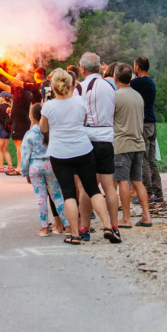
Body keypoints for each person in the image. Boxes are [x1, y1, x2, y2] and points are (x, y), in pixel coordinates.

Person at [39, 69, 118, 245]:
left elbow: (43, 128)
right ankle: (107, 227)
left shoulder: (49, 106)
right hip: (82, 149)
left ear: (53, 86)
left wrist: (46, 107)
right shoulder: (79, 101)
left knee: (68, 194)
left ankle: (74, 235)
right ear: (70, 84)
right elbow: (83, 122)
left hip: (59, 153)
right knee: (93, 189)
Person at [75, 52, 120, 237]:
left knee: (87, 186)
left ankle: (84, 227)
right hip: (106, 138)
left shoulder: (79, 88)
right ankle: (114, 226)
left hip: (87, 139)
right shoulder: (110, 87)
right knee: (108, 186)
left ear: (82, 69)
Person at [112, 63, 153, 228]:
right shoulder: (138, 96)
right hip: (138, 143)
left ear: (115, 78)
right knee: (137, 181)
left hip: (122, 144)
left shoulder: (115, 96)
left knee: (122, 181)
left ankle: (126, 218)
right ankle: (146, 216)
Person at [20, 103, 69, 236]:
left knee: (41, 197)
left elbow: (25, 156)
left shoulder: (30, 134)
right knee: (58, 196)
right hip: (51, 165)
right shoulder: (51, 131)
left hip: (35, 166)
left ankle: (44, 228)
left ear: (31, 116)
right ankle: (68, 226)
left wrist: (25, 172)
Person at [130, 57, 163, 203]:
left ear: (137, 66)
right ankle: (159, 194)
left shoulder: (138, 82)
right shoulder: (150, 81)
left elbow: (122, 83)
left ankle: (148, 194)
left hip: (142, 124)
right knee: (151, 160)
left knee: (142, 160)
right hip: (152, 123)